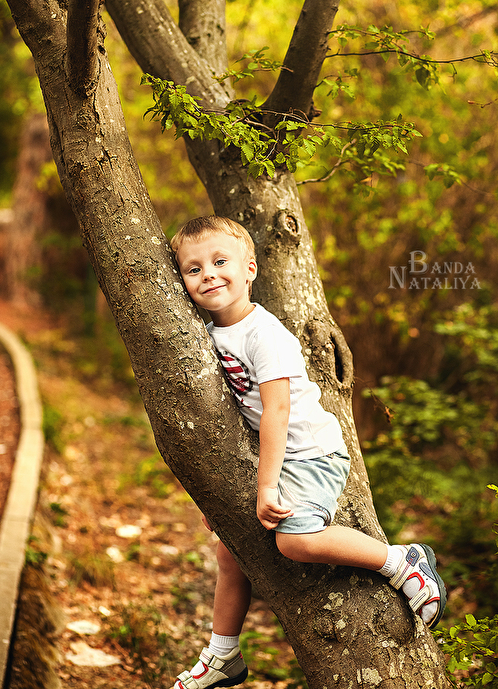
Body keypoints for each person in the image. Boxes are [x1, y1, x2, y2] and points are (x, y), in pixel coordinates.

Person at [170, 215, 446, 689]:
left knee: (295, 542)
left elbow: (277, 412)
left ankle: (403, 561)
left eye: (220, 262)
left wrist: (266, 488)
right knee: (230, 553)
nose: (208, 275)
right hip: (273, 457)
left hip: (309, 454)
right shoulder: (207, 335)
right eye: (194, 269)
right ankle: (223, 654)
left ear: (250, 269)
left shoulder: (264, 334)